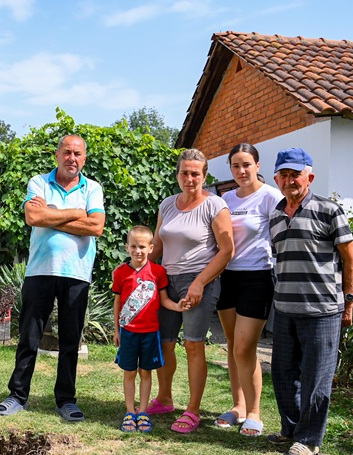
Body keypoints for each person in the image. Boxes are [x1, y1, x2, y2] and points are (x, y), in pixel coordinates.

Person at [0, 134, 105, 422]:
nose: (72, 158)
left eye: (77, 153)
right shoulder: (39, 183)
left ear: (84, 158)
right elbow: (33, 218)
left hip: (76, 274)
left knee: (70, 340)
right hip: (40, 271)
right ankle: (17, 395)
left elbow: (96, 226)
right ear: (57, 155)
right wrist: (76, 213)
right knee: (28, 337)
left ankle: (66, 400)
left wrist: (51, 214)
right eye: (67, 152)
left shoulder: (92, 188)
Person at [267, 147, 353, 455]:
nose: (289, 180)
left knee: (316, 379)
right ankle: (291, 429)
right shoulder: (275, 215)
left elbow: (350, 258)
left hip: (322, 311)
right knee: (282, 374)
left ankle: (309, 439)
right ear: (277, 179)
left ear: (310, 177)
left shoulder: (329, 210)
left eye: (296, 174)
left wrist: (349, 302)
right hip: (284, 310)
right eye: (284, 175)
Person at [146, 149, 234, 434]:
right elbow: (158, 246)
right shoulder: (167, 205)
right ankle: (165, 399)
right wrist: (138, 272)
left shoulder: (215, 205)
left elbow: (227, 250)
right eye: (184, 172)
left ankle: (193, 410)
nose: (189, 178)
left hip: (200, 280)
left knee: (193, 345)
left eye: (195, 173)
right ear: (177, 175)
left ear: (204, 176)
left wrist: (199, 283)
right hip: (167, 280)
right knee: (164, 342)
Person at [214, 143, 283, 437]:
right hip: (227, 277)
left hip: (258, 277)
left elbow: (283, 234)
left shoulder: (271, 196)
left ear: (257, 165)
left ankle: (254, 412)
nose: (241, 171)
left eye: (246, 164)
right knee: (232, 345)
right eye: (235, 166)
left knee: (245, 347)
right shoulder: (226, 198)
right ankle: (238, 406)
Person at [112, 225, 187, 433]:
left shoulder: (158, 272)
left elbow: (164, 300)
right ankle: (130, 411)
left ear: (151, 248)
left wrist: (177, 306)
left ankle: (143, 411)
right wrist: (117, 330)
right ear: (127, 247)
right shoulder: (120, 273)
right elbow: (117, 303)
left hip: (151, 333)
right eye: (133, 246)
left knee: (146, 372)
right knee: (129, 372)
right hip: (128, 332)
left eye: (142, 247)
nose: (138, 251)